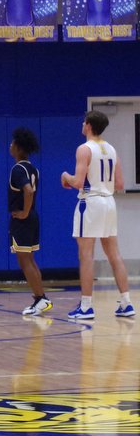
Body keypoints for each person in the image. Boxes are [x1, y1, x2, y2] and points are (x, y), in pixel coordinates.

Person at [60, 110, 135, 320]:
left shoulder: (84, 149)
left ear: (89, 126)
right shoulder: (111, 149)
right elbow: (119, 184)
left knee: (86, 255)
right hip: (109, 202)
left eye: (84, 122)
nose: (82, 125)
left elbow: (78, 182)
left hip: (90, 202)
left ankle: (86, 306)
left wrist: (65, 176)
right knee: (114, 254)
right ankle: (126, 303)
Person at [7, 127, 50, 316]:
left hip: (23, 219)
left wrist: (23, 212)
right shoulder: (33, 169)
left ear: (18, 147)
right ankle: (40, 298)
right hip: (33, 217)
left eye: (12, 143)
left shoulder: (17, 169)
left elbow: (29, 191)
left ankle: (41, 298)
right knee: (30, 260)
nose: (10, 145)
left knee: (25, 262)